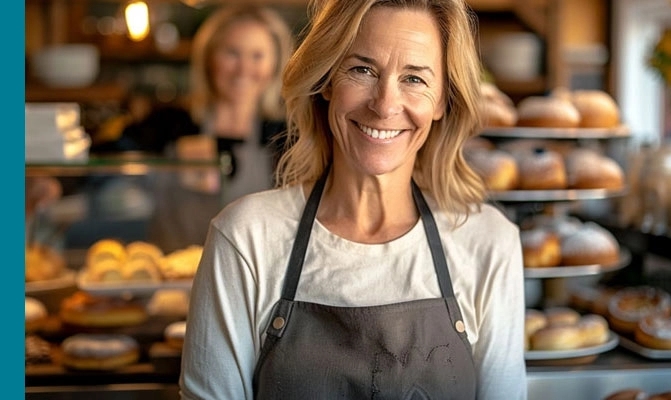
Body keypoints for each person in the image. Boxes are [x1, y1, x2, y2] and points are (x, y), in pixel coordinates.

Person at [179, 0, 526, 399]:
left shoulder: (489, 243)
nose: (384, 105)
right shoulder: (244, 238)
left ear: (442, 101)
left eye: (415, 79)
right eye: (362, 70)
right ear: (327, 80)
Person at [118, 4, 294, 251]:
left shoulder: (286, 135)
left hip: (250, 285)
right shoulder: (169, 124)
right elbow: (105, 157)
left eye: (257, 56)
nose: (244, 69)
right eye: (232, 53)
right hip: (172, 279)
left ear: (274, 64)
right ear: (209, 57)